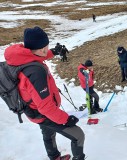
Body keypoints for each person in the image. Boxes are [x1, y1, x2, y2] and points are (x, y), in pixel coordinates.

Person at [4, 26, 85, 160]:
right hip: (41, 112)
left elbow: (35, 56)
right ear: (42, 48)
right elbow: (46, 108)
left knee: (48, 133)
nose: (47, 50)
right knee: (78, 135)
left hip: (32, 109)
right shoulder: (36, 73)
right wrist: (67, 119)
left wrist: (53, 52)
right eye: (46, 47)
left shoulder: (20, 58)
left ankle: (54, 157)